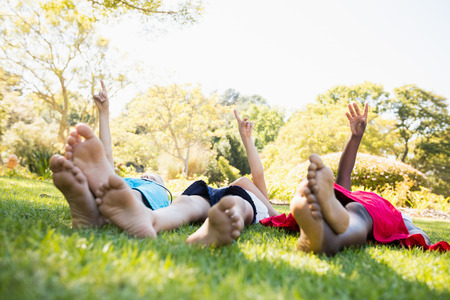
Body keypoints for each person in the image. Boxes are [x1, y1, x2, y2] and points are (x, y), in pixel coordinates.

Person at [51, 80, 278, 246]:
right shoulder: (259, 197)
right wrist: (247, 139)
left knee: (236, 205)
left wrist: (247, 140)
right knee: (185, 206)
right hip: (207, 193)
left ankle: (208, 232)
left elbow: (257, 179)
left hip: (238, 200)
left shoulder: (264, 211)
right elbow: (255, 176)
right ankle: (149, 219)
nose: (149, 176)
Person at [262, 102, 448, 255]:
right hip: (357, 205)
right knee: (355, 210)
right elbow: (345, 177)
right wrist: (355, 137)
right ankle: (325, 233)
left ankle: (319, 218)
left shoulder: (400, 217)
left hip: (354, 204)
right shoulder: (393, 215)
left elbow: (344, 176)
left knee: (354, 209)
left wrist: (355, 137)